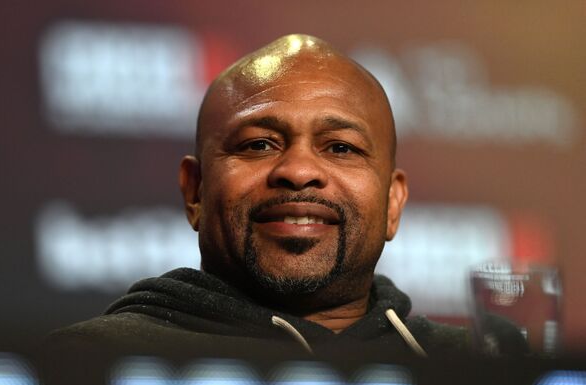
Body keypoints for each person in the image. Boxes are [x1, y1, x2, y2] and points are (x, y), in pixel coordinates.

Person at [48, 34, 474, 357]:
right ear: (195, 191)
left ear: (393, 203)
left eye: (340, 147)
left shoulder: (484, 369)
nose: (299, 171)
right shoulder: (85, 362)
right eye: (258, 145)